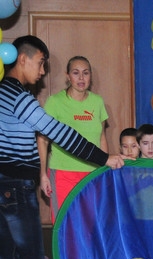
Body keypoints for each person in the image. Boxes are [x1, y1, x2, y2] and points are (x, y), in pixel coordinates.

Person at [0, 35, 124, 259]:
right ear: (23, 59)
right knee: (32, 258)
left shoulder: (3, 92)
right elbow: (61, 134)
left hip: (6, 184)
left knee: (6, 256)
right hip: (15, 187)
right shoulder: (19, 97)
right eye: (40, 63)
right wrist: (104, 158)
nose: (43, 71)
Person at [39, 55, 109, 221]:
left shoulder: (97, 102)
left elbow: (102, 137)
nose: (81, 78)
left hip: (92, 173)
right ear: (68, 76)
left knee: (90, 224)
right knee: (64, 224)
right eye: (76, 73)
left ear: (91, 76)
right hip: (63, 174)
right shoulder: (54, 102)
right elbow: (42, 140)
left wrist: (104, 170)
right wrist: (42, 174)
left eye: (86, 73)